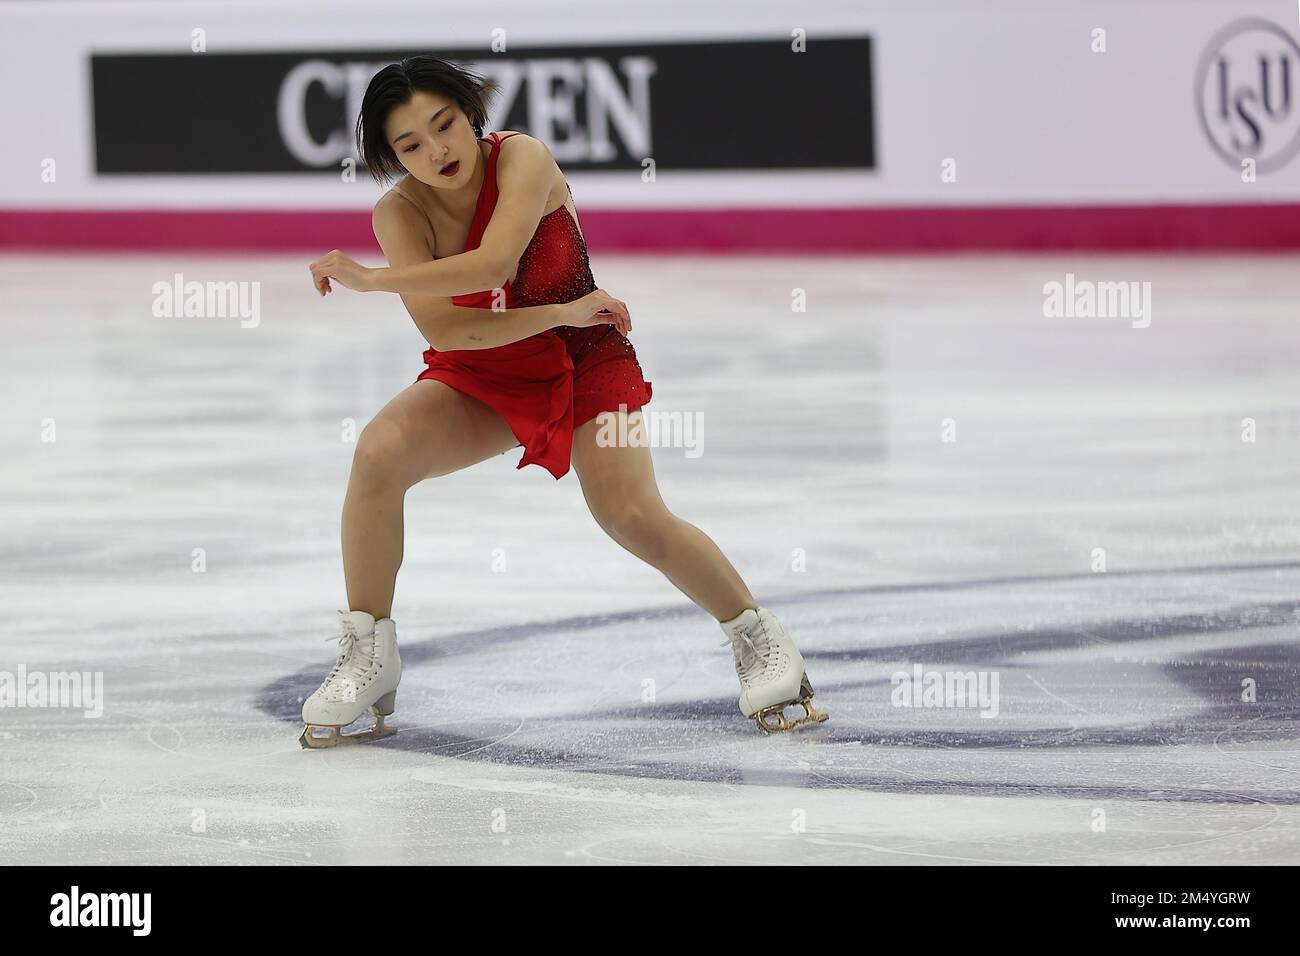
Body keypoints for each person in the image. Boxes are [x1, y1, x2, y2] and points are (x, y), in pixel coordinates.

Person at [300, 56, 826, 746]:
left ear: (470, 113)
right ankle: (368, 651)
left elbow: (495, 264)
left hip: (588, 358)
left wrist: (373, 282)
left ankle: (759, 636)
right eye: (410, 146)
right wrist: (555, 316)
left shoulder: (524, 159)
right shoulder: (399, 214)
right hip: (489, 368)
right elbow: (448, 329)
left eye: (445, 125)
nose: (437, 151)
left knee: (631, 513)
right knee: (379, 452)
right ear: (389, 158)